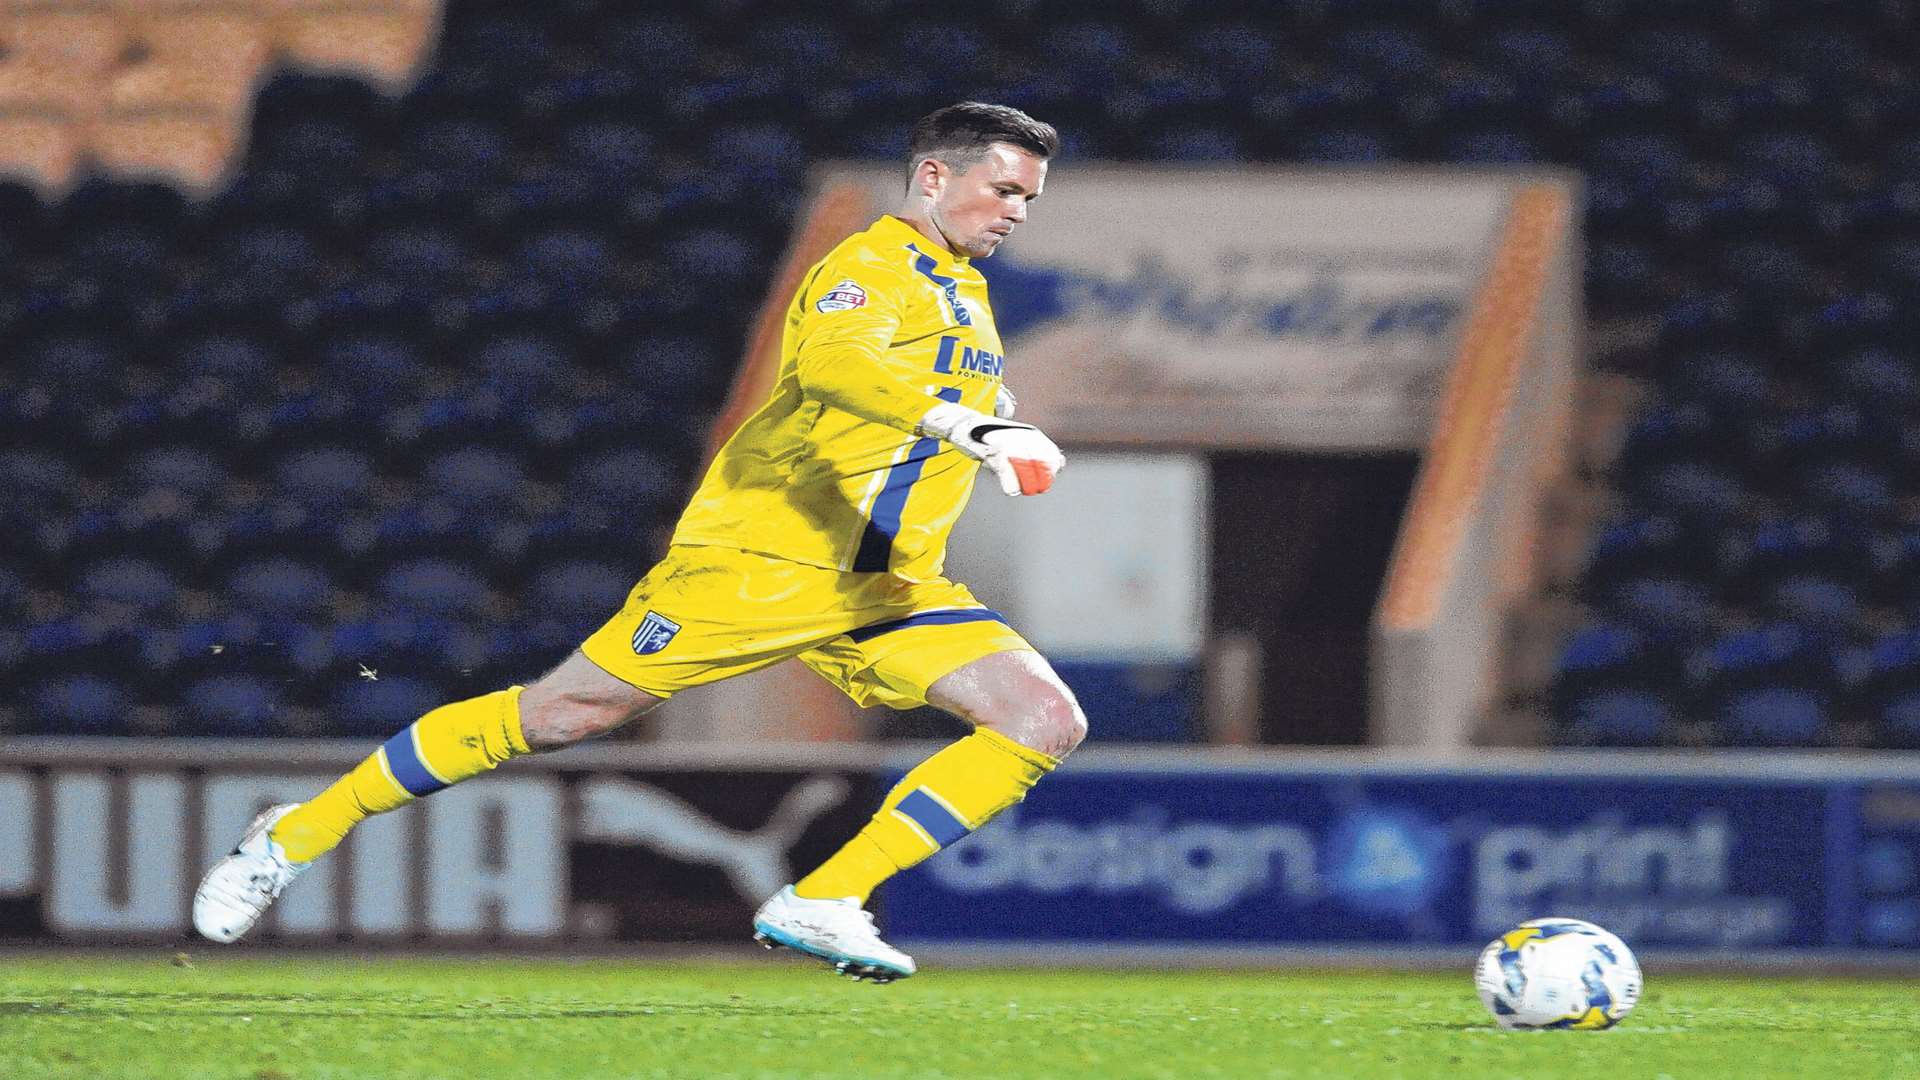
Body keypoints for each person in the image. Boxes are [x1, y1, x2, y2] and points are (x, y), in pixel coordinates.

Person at [192, 101, 1085, 982]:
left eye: (1027, 199)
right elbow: (835, 368)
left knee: (1043, 719)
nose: (1014, 210)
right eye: (1003, 189)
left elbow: (905, 392)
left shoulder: (962, 286)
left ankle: (824, 898)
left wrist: (986, 413)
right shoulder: (871, 264)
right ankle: (296, 832)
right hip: (763, 563)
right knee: (559, 715)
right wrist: (967, 429)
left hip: (886, 586)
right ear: (933, 176)